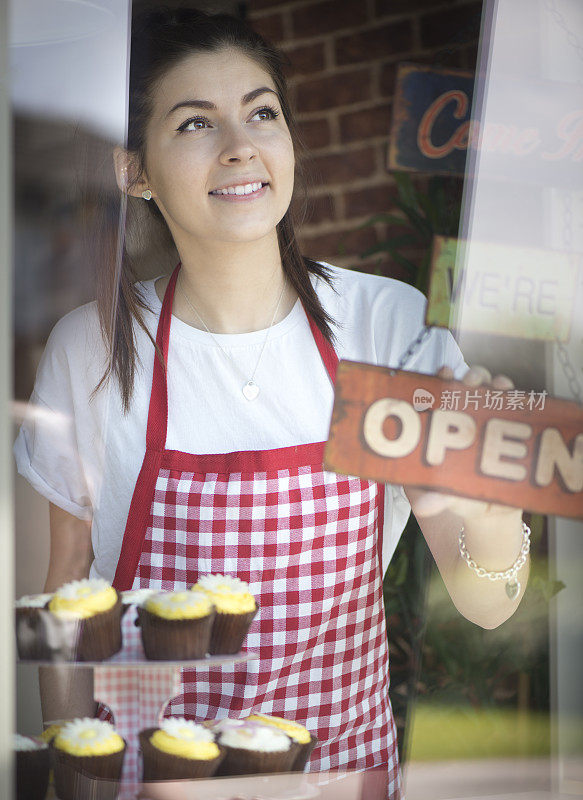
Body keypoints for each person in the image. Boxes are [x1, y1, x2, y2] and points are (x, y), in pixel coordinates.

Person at [13, 7, 529, 798]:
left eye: (261, 112)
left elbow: (486, 604)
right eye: (194, 123)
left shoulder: (381, 325)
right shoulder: (91, 345)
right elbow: (70, 588)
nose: (240, 147)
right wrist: (76, 781)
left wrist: (490, 511)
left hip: (335, 775)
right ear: (134, 171)